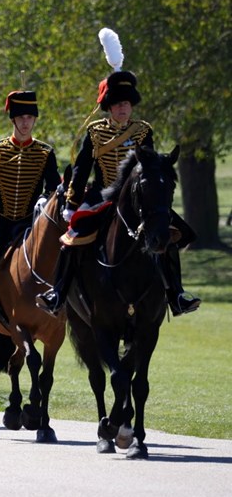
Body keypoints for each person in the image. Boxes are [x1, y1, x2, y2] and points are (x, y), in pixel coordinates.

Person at [39, 37, 199, 317]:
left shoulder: (142, 130)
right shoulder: (95, 131)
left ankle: (176, 294)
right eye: (117, 104)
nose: (123, 108)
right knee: (71, 240)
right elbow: (81, 169)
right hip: (103, 197)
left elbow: (148, 164)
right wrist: (72, 203)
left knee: (167, 235)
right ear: (109, 107)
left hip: (138, 198)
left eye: (126, 103)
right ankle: (58, 293)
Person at [0, 91, 60, 348]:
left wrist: (46, 201)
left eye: (30, 117)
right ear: (13, 120)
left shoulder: (45, 153)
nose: (26, 122)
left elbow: (55, 189)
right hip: (0, 222)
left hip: (30, 223)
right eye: (21, 117)